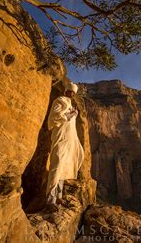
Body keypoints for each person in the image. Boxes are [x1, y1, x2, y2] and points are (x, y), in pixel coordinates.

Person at [45, 82, 84, 211]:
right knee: (56, 165)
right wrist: (70, 115)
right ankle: (50, 199)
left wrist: (73, 114)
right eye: (70, 91)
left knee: (63, 166)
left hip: (69, 140)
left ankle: (58, 196)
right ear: (66, 91)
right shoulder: (60, 101)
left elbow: (71, 126)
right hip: (60, 138)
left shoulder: (71, 106)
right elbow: (54, 117)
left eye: (73, 93)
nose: (71, 94)